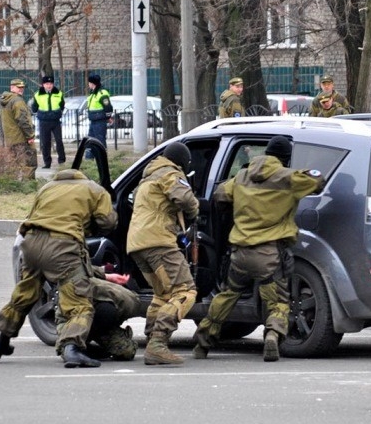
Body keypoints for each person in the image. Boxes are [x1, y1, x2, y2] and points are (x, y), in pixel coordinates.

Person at [193, 136, 323, 361]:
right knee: (278, 301)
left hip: (240, 253)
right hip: (269, 254)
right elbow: (317, 181)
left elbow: (220, 195)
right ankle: (272, 335)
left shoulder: (242, 176)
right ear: (284, 158)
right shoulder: (286, 177)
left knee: (227, 295)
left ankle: (203, 342)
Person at [0, 167, 117, 368]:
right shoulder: (95, 189)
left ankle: (2, 342)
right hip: (62, 247)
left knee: (25, 293)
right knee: (79, 301)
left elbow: (33, 215)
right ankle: (72, 349)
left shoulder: (46, 188)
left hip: (31, 243)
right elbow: (107, 221)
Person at [125, 143, 200, 366]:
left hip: (138, 243)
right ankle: (158, 344)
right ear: (182, 162)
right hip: (159, 242)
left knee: (162, 294)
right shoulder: (170, 173)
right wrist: (195, 211)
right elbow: (185, 199)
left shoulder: (147, 177)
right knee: (185, 291)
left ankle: (151, 339)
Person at [61, 273, 140, 362]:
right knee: (66, 348)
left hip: (101, 321)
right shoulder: (69, 287)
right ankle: (78, 346)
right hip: (73, 322)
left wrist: (106, 276)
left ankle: (91, 349)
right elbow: (62, 317)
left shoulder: (119, 297)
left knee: (127, 352)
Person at [0, 77, 37, 180]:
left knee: (13, 164)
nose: (21, 89)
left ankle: (12, 184)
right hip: (22, 138)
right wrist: (30, 136)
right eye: (19, 87)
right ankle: (29, 185)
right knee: (29, 163)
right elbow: (23, 120)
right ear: (12, 88)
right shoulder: (17, 101)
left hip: (10, 138)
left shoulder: (5, 101)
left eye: (22, 87)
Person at [31, 75, 66, 169]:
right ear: (43, 85)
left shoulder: (58, 93)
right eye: (47, 84)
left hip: (55, 121)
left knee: (59, 141)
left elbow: (62, 105)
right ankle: (47, 163)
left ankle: (62, 161)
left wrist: (57, 113)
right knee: (45, 143)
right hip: (43, 121)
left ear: (53, 84)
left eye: (51, 84)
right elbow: (34, 108)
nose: (49, 86)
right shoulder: (38, 94)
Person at [85, 74, 113, 153]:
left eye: (89, 82)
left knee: (100, 141)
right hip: (93, 120)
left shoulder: (102, 93)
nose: (88, 84)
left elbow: (108, 107)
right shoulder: (93, 93)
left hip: (100, 121)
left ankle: (102, 158)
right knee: (90, 140)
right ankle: (89, 159)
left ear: (92, 83)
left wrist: (108, 117)